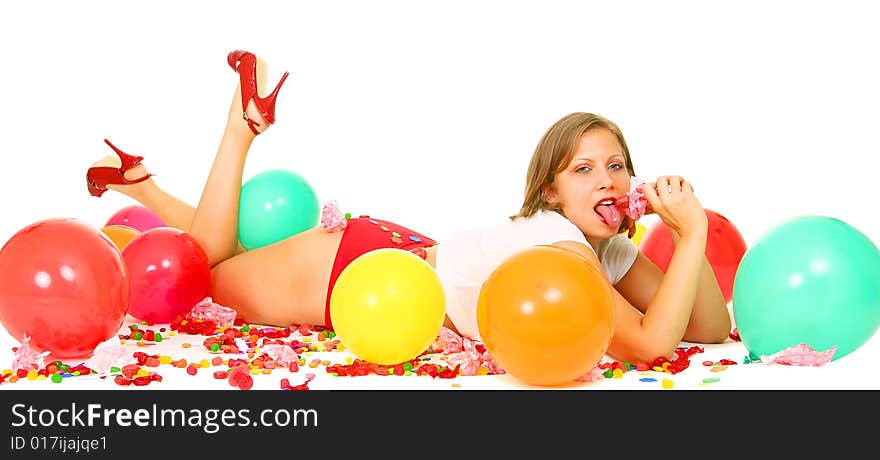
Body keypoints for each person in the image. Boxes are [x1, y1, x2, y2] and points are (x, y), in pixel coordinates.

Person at [86, 50, 730, 364]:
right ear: (549, 192)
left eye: (616, 166)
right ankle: (239, 128)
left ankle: (143, 186)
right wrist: (694, 234)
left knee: (230, 257)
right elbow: (649, 345)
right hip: (354, 268)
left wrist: (684, 231)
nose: (607, 180)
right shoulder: (559, 242)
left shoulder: (605, 250)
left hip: (401, 267)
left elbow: (701, 329)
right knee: (206, 269)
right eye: (583, 170)